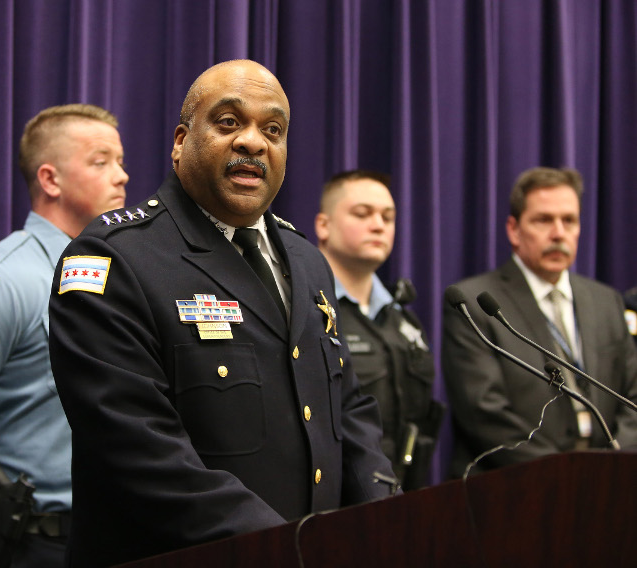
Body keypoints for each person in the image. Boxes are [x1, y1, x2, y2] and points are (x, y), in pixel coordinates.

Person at [48, 59, 396, 567]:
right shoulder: (114, 259)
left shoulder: (306, 259)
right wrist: (285, 548)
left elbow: (348, 407)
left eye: (272, 130)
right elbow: (137, 450)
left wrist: (384, 522)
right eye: (229, 122)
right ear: (180, 141)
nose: (253, 142)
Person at [0, 104, 128, 568]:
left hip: (109, 536)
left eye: (120, 161)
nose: (121, 176)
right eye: (101, 162)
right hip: (29, 542)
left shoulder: (113, 279)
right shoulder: (1, 280)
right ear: (51, 180)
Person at [442, 166, 637, 476]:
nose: (558, 233)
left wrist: (614, 462)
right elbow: (484, 412)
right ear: (514, 230)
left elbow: (632, 396)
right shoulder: (475, 303)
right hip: (519, 485)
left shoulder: (607, 301)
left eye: (569, 220)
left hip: (609, 482)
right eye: (544, 220)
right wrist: (566, 473)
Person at [314, 170, 442, 489]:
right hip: (338, 498)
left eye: (388, 217)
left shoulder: (402, 319)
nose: (378, 225)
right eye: (362, 213)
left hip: (406, 494)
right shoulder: (305, 307)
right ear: (323, 226)